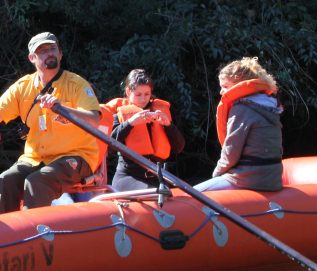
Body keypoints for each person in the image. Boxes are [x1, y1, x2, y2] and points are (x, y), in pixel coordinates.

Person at [0, 32, 101, 213]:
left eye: (52, 49)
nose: (49, 53)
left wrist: (64, 110)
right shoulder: (22, 87)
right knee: (6, 179)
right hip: (36, 158)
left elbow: (94, 119)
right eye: (42, 51)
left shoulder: (77, 84)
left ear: (60, 54)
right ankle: (6, 235)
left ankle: (35, 236)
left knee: (37, 181)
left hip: (76, 156)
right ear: (32, 58)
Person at [194, 57, 283, 192]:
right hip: (272, 179)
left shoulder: (242, 108)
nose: (221, 92)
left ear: (239, 84)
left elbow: (231, 151)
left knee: (191, 195)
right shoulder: (269, 105)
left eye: (225, 87)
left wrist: (216, 174)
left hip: (247, 179)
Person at [104, 68, 186, 192]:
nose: (143, 99)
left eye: (147, 94)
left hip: (157, 177)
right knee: (156, 193)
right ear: (128, 92)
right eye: (138, 94)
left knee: (178, 196)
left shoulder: (158, 114)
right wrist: (130, 123)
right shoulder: (118, 116)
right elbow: (109, 146)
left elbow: (179, 147)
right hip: (128, 177)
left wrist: (168, 125)